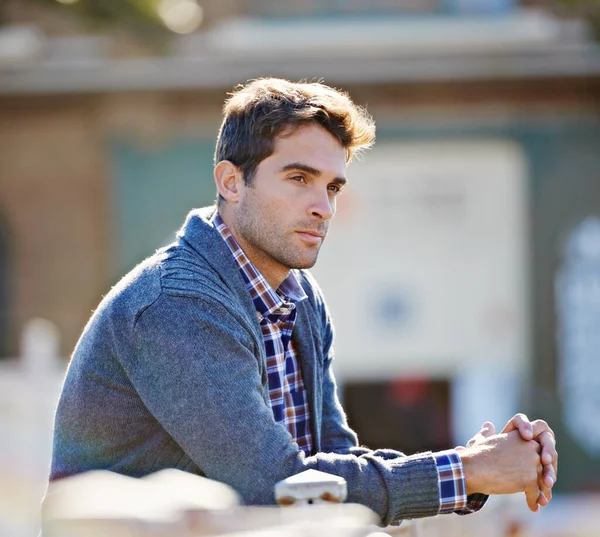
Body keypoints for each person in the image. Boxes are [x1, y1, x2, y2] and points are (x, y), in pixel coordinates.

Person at [50, 78, 557, 526]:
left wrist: (475, 465)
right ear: (230, 182)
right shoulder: (177, 307)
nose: (323, 207)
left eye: (332, 186)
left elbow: (330, 462)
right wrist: (469, 471)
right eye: (298, 179)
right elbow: (279, 489)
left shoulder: (297, 296)